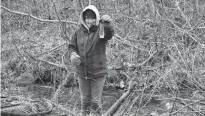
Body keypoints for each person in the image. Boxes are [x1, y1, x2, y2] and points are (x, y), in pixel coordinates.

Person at [68, 5, 114, 116]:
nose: (90, 21)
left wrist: (107, 24)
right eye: (88, 18)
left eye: (93, 18)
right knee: (84, 101)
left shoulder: (100, 30)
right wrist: (73, 55)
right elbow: (71, 47)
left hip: (98, 73)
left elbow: (108, 35)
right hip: (82, 72)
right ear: (84, 19)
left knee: (95, 102)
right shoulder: (78, 32)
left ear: (97, 18)